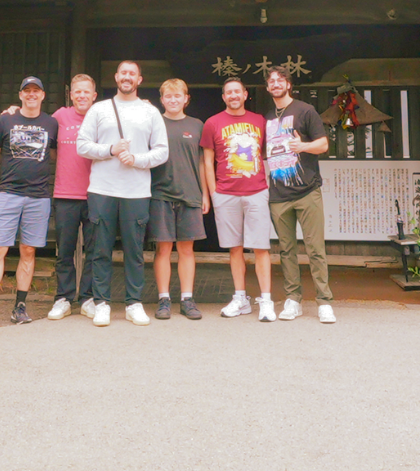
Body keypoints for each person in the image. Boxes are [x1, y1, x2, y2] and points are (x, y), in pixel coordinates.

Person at [77, 61, 168, 327]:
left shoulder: (150, 112)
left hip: (137, 191)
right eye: (123, 73)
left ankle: (133, 303)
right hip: (102, 190)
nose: (127, 77)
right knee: (100, 249)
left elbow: (162, 151)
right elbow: (82, 146)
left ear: (139, 79)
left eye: (132, 74)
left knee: (134, 250)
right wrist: (110, 150)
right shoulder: (99, 109)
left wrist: (137, 158)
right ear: (116, 77)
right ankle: (101, 302)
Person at [0, 76, 58, 330]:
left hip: (39, 197)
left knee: (29, 251)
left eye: (36, 91)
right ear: (20, 95)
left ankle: (20, 306)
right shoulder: (6, 119)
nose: (31, 95)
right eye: (26, 91)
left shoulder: (52, 123)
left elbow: (59, 155)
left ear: (42, 95)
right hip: (7, 193)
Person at [265, 66, 336, 323]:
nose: (275, 84)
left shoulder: (305, 110)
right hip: (278, 194)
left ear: (288, 85)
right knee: (287, 251)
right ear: (267, 88)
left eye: (280, 80)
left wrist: (302, 146)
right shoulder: (267, 117)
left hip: (307, 191)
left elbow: (323, 144)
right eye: (271, 81)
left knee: (315, 249)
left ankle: (324, 301)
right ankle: (292, 300)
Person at [200, 77, 276, 322]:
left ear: (245, 94)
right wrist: (212, 193)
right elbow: (207, 161)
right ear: (223, 97)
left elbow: (268, 154)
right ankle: (240, 298)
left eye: (237, 91)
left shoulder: (260, 122)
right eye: (228, 92)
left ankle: (265, 300)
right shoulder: (212, 123)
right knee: (235, 248)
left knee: (261, 247)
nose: (233, 95)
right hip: (226, 193)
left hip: (256, 191)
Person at [149, 78, 207, 321]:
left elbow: (203, 162)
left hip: (190, 193)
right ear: (162, 100)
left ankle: (187, 298)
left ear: (186, 98)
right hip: (159, 193)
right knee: (163, 248)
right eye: (168, 96)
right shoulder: (153, 123)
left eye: (178, 96)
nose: (173, 100)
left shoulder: (197, 125)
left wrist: (205, 193)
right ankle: (163, 298)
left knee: (187, 248)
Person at [46, 74, 98, 321]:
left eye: (86, 91)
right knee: (64, 250)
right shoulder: (59, 117)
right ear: (71, 95)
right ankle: (63, 298)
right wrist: (13, 110)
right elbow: (52, 148)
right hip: (65, 193)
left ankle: (88, 298)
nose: (81, 96)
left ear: (94, 95)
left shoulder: (101, 116)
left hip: (96, 193)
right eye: (77, 91)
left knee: (94, 249)